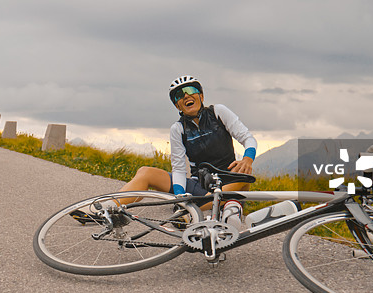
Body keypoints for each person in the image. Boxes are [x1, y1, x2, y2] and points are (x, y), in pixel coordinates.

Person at [118, 75, 297, 230]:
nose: (186, 95)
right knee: (146, 172)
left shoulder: (218, 112)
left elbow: (248, 138)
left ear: (201, 96)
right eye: (180, 95)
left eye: (190, 90)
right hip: (199, 184)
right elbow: (179, 169)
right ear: (177, 106)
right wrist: (180, 197)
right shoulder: (178, 129)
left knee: (244, 177)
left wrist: (248, 159)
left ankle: (197, 210)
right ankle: (107, 209)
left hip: (229, 180)